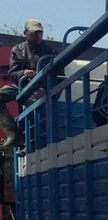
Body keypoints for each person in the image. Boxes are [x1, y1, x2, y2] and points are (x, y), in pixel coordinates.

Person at [0, 19, 58, 149]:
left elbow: (58, 76)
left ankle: (35, 141)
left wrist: (42, 80)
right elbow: (12, 74)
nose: (37, 36)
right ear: (25, 33)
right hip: (21, 86)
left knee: (34, 103)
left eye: (39, 33)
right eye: (34, 33)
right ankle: (14, 135)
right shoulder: (17, 49)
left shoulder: (51, 51)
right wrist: (24, 72)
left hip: (40, 88)